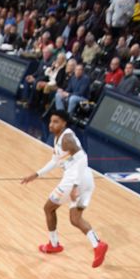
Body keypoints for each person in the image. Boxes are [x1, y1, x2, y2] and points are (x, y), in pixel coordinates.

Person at [21, 110, 108, 268]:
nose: (51, 124)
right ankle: (98, 245)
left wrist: (74, 186)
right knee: (75, 219)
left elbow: (82, 158)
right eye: (51, 121)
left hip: (75, 179)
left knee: (48, 208)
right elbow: (55, 161)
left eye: (56, 122)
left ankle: (54, 244)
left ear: (64, 123)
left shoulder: (67, 139)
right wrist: (36, 174)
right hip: (86, 179)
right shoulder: (58, 138)